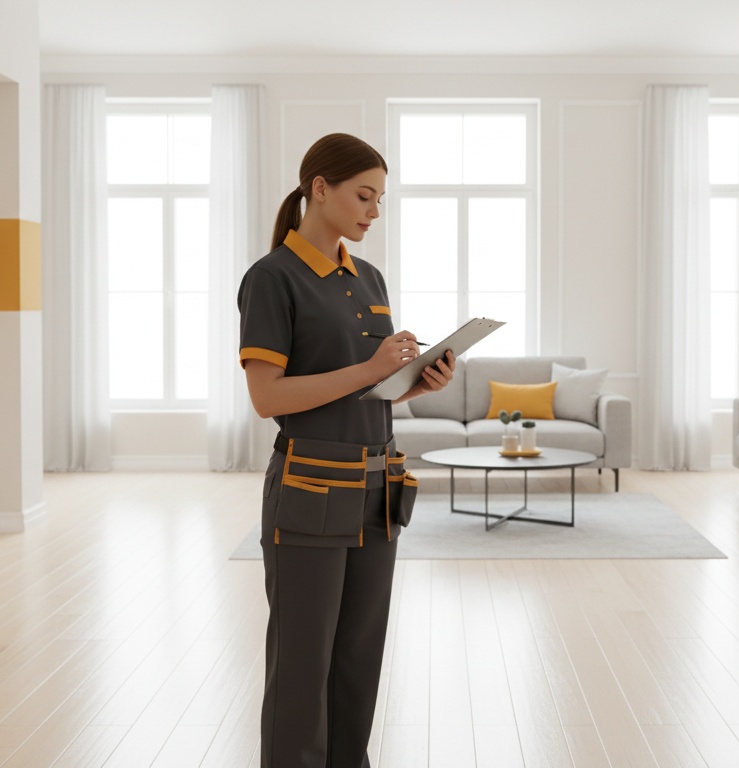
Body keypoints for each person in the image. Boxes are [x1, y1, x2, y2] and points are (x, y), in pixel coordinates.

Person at [237, 132, 456, 768]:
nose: (374, 211)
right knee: (303, 665)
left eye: (381, 199)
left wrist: (414, 383)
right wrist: (369, 370)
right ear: (320, 188)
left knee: (359, 658)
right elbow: (267, 397)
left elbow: (370, 388)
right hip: (309, 489)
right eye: (364, 195)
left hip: (377, 487)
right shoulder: (272, 279)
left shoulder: (370, 278)